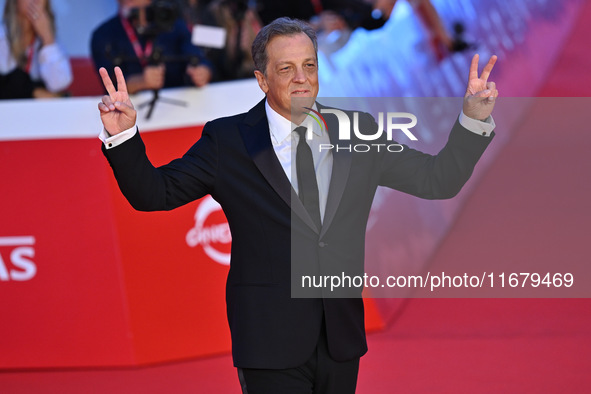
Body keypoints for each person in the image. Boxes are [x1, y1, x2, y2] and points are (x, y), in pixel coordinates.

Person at [97, 17, 498, 393]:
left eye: (309, 65)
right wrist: (124, 136)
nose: (302, 78)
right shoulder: (228, 141)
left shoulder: (357, 132)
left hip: (339, 339)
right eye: (286, 69)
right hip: (268, 342)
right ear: (262, 79)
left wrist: (473, 121)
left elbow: (437, 180)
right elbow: (154, 194)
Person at [90, 0, 213, 95]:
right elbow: (109, 82)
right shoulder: (103, 34)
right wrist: (140, 81)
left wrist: (203, 72)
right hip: (128, 112)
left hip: (179, 109)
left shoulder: (174, 26)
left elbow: (198, 58)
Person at [0, 0, 72, 99]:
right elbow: (6, 83)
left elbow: (60, 84)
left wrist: (47, 39)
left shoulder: (49, 40)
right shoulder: (2, 37)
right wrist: (34, 92)